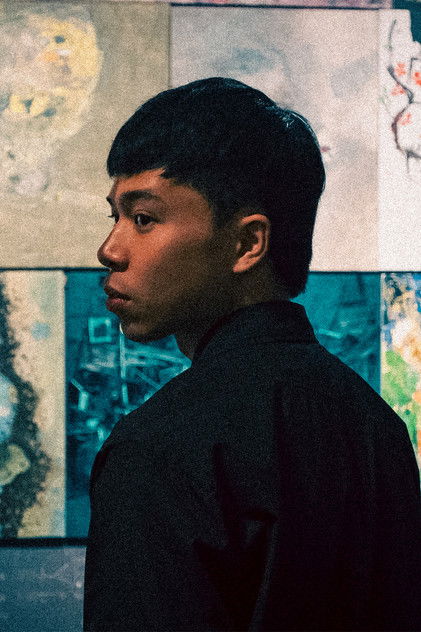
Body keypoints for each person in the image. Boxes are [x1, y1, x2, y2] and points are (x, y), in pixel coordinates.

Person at [83, 77, 421, 631]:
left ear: (247, 244)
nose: (109, 250)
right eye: (114, 217)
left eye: (143, 218)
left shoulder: (161, 446)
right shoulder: (377, 428)